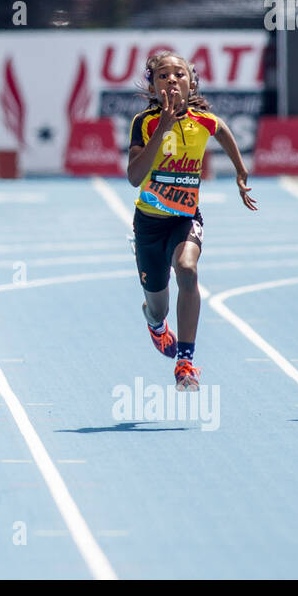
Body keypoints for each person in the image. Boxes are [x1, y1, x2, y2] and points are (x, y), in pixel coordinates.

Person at [126, 51, 256, 391]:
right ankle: (156, 324)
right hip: (149, 225)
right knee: (158, 305)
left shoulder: (203, 121)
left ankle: (186, 362)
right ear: (153, 88)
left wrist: (240, 172)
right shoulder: (145, 123)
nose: (172, 79)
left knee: (187, 268)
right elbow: (134, 177)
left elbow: (224, 131)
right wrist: (164, 128)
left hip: (185, 219)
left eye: (179, 74)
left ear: (191, 83)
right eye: (163, 75)